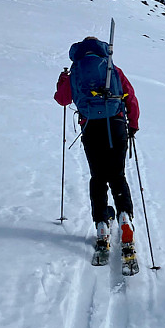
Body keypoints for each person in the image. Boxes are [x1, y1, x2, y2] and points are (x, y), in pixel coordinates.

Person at [54, 36, 140, 258]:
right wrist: (134, 125)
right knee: (117, 175)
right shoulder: (111, 68)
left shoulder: (75, 71)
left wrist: (62, 81)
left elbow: (62, 100)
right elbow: (131, 98)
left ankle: (102, 224)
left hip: (92, 128)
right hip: (117, 125)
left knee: (98, 177)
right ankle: (124, 217)